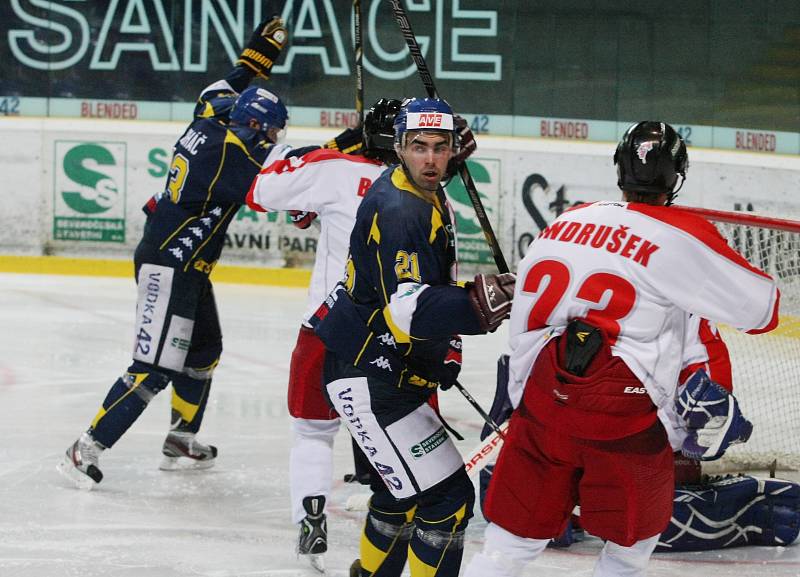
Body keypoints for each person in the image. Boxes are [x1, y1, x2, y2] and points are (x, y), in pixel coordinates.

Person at [463, 121, 781, 577]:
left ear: (619, 169)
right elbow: (764, 312)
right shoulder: (685, 233)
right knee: (630, 547)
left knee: (507, 545)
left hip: (540, 407)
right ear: (677, 175)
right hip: (622, 425)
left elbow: (525, 319)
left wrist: (517, 395)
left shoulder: (567, 220)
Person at [56, 17, 359, 490]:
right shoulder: (230, 158)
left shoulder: (213, 114)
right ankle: (85, 449)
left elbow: (226, 84)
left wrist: (258, 56)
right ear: (256, 127)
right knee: (154, 368)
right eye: (272, 132)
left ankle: (181, 437)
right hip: (167, 266)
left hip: (188, 266)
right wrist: (353, 145)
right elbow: (294, 174)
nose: (273, 140)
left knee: (204, 352)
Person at [310, 96, 515, 577]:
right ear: (398, 146)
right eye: (418, 147)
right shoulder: (404, 211)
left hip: (376, 364)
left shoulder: (413, 184)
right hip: (368, 378)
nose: (430, 159)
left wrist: (442, 345)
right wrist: (475, 306)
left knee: (397, 492)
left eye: (441, 148)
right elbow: (407, 311)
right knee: (447, 499)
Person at [245, 98, 412, 573]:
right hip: (394, 334)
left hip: (327, 324)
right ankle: (391, 540)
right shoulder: (426, 192)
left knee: (313, 432)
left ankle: (310, 518)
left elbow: (261, 188)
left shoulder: (335, 169)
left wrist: (327, 152)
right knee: (395, 436)